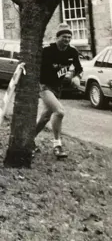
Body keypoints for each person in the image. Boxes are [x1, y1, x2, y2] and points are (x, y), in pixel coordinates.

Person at [35, 23, 82, 159]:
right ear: (57, 38)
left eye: (69, 37)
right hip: (44, 86)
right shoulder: (48, 51)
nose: (66, 40)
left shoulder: (72, 52)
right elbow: (36, 67)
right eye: (64, 37)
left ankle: (29, 140)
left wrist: (75, 77)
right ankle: (57, 145)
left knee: (45, 117)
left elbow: (79, 68)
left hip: (57, 88)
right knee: (59, 111)